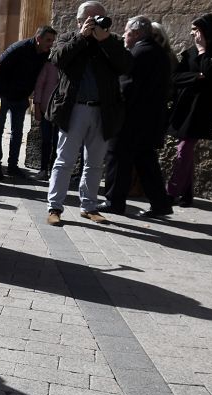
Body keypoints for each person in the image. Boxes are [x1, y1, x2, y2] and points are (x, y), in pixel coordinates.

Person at [44, 1, 132, 226]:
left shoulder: (112, 42)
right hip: (74, 109)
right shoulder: (67, 38)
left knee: (95, 162)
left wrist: (106, 41)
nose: (95, 23)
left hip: (102, 111)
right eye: (90, 19)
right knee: (65, 160)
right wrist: (81, 38)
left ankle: (89, 206)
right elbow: (58, 59)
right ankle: (55, 207)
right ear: (79, 21)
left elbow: (126, 65)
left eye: (99, 18)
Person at [101, 15, 172, 218]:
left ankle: (114, 202)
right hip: (150, 119)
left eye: (127, 32)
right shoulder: (158, 52)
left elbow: (127, 86)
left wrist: (114, 106)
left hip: (132, 119)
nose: (124, 36)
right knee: (146, 161)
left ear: (137, 33)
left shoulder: (139, 52)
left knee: (118, 157)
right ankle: (160, 203)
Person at [166, 13, 212, 207]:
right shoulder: (190, 52)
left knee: (184, 148)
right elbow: (176, 77)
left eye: (196, 29)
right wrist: (197, 77)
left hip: (203, 106)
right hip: (186, 104)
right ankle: (186, 194)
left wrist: (203, 51)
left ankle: (170, 192)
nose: (192, 33)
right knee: (185, 148)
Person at [0, 25, 55, 182]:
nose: (51, 44)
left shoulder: (45, 54)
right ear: (38, 39)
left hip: (21, 98)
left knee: (18, 132)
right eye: (48, 40)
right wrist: (1, 91)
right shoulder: (19, 49)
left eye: (52, 41)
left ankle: (13, 166)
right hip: (3, 96)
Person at [32, 58, 58, 180]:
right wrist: (36, 105)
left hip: (61, 111)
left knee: (58, 143)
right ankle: (43, 169)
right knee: (46, 141)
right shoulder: (49, 66)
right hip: (46, 109)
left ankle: (54, 171)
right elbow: (39, 86)